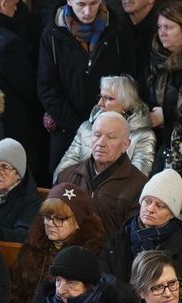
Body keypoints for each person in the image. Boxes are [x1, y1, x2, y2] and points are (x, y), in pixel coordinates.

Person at [38, 0, 138, 173]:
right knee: (64, 181)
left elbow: (128, 81)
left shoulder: (118, 30)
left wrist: (106, 122)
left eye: (93, 3)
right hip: (67, 129)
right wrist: (79, 127)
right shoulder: (52, 33)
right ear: (69, 1)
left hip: (110, 128)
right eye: (81, 4)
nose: (88, 11)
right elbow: (47, 88)